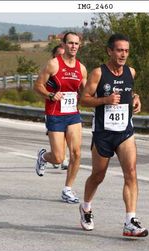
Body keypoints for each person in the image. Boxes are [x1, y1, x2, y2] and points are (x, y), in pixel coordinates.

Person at [78, 33, 148, 237]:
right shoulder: (98, 73)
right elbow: (84, 99)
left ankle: (130, 221)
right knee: (98, 175)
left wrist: (136, 99)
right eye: (119, 50)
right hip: (103, 132)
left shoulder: (131, 72)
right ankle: (86, 207)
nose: (123, 54)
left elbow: (131, 93)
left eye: (126, 50)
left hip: (125, 132)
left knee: (131, 172)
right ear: (110, 51)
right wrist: (105, 100)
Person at [34, 32, 87, 203]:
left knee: (76, 153)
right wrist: (50, 95)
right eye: (70, 43)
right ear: (63, 45)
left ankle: (67, 189)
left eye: (76, 44)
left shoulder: (82, 68)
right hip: (55, 114)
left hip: (72, 114)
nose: (73, 46)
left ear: (79, 45)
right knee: (58, 158)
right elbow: (38, 85)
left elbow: (87, 92)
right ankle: (43, 157)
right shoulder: (53, 64)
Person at [50, 44, 69, 170]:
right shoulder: (51, 69)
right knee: (58, 136)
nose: (61, 57)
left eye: (63, 54)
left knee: (67, 133)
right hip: (54, 110)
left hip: (69, 109)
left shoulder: (71, 69)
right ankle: (56, 155)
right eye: (59, 54)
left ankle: (65, 157)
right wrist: (51, 95)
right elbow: (40, 87)